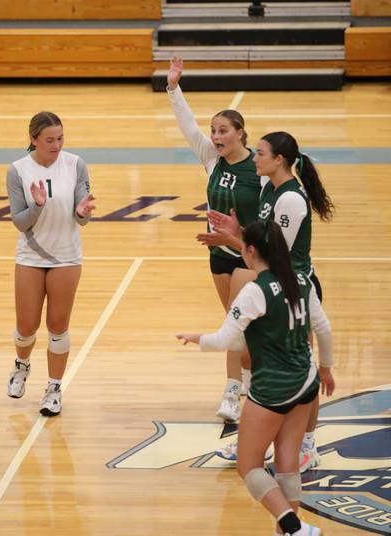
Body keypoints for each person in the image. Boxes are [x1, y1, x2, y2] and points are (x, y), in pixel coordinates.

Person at [177, 220, 335, 536]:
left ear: (250, 252)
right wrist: (326, 369)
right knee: (288, 463)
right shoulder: (302, 279)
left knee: (248, 465)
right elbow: (324, 329)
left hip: (274, 388)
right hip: (305, 381)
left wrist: (198, 338)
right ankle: (289, 530)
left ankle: (293, 527)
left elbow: (227, 342)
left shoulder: (255, 290)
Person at [205, 130, 335, 470]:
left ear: (279, 160)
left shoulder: (291, 199)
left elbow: (274, 255)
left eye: (260, 153)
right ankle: (255, 441)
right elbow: (263, 242)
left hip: (296, 290)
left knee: (302, 366)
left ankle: (307, 445)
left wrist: (234, 240)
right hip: (274, 287)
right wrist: (238, 233)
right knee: (257, 360)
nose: (255, 158)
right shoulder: (268, 188)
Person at [166, 55, 263, 422]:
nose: (216, 136)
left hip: (249, 256)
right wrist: (173, 87)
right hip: (219, 255)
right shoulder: (211, 158)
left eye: (223, 131)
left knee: (243, 324)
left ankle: (248, 391)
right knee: (232, 323)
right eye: (214, 130)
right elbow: (186, 125)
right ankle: (234, 392)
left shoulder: (260, 167)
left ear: (240, 133)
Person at [5, 111, 96, 417]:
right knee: (27, 327)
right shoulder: (18, 170)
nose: (56, 145)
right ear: (33, 140)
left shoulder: (75, 164)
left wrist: (83, 211)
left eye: (60, 139)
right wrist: (37, 206)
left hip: (66, 256)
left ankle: (54, 389)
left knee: (58, 326)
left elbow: (83, 215)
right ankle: (22, 365)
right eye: (49, 140)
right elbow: (19, 222)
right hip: (30, 256)